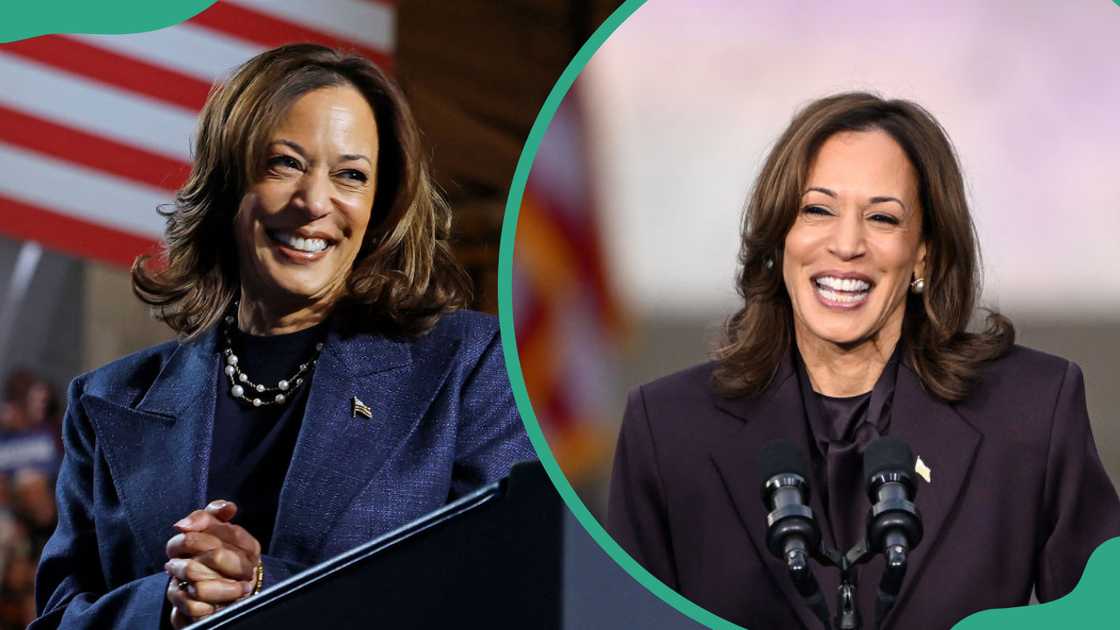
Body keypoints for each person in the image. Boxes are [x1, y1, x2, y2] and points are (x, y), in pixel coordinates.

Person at [33, 43, 534, 629]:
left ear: (379, 206)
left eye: (350, 175)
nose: (315, 202)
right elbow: (59, 619)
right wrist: (167, 602)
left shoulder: (470, 367)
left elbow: (502, 595)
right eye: (285, 164)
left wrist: (261, 587)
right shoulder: (108, 402)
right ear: (227, 183)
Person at [607, 92, 1120, 629]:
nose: (847, 244)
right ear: (781, 236)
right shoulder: (668, 428)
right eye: (818, 210)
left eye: (882, 217)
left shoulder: (1032, 410)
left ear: (925, 251)